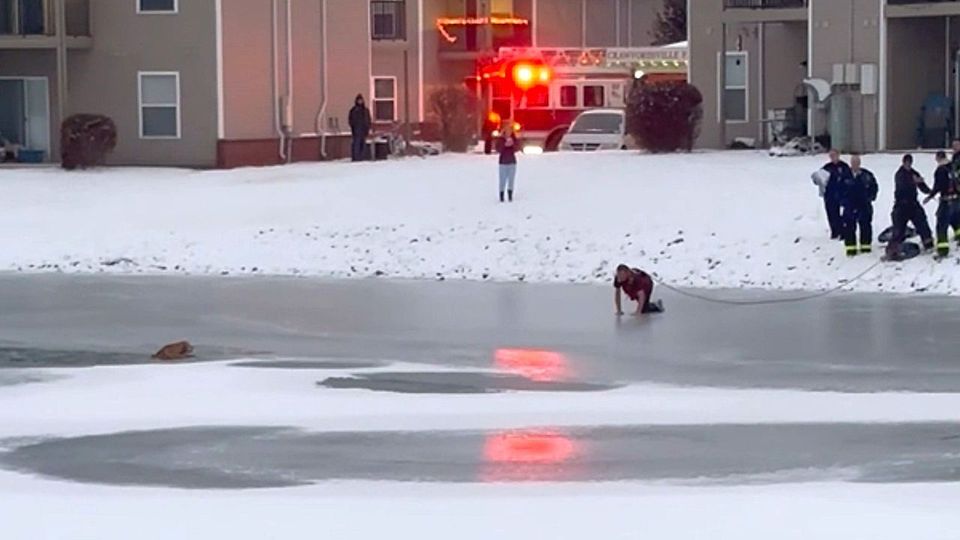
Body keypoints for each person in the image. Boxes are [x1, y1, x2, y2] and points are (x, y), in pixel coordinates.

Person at [886, 154, 934, 260]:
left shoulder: (913, 173)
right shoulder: (899, 174)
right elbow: (902, 185)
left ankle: (928, 243)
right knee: (898, 228)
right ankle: (893, 249)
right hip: (901, 205)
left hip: (913, 204)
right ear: (903, 163)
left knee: (922, 222)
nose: (908, 165)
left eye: (909, 163)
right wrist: (914, 181)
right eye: (906, 163)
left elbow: (922, 185)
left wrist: (931, 192)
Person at [839, 154, 879, 256]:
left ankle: (865, 246)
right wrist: (843, 201)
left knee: (865, 226)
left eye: (857, 163)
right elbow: (838, 190)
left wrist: (870, 197)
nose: (855, 165)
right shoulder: (844, 175)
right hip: (849, 206)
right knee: (849, 228)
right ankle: (850, 248)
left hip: (864, 205)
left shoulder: (867, 175)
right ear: (850, 163)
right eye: (853, 163)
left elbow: (874, 187)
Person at [923, 151, 960, 257]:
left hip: (946, 200)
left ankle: (942, 249)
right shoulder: (953, 167)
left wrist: (930, 196)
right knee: (955, 220)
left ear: (939, 158)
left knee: (941, 225)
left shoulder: (940, 170)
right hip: (957, 200)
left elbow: (938, 186)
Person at [820, 149, 853, 240]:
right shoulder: (827, 167)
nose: (833, 157)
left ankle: (843, 231)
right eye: (831, 156)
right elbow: (821, 180)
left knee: (844, 214)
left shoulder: (844, 166)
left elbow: (849, 178)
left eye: (834, 155)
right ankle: (834, 231)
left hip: (842, 194)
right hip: (830, 194)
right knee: (831, 213)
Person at [496, 123, 519, 202]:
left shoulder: (514, 139)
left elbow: (517, 148)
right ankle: (501, 195)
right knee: (502, 180)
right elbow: (498, 149)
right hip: (503, 162)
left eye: (510, 130)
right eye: (507, 130)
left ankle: (510, 195)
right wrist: (504, 145)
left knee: (511, 180)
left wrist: (512, 145)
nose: (508, 132)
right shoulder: (501, 139)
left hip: (512, 162)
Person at [348, 94, 371, 162]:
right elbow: (350, 120)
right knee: (356, 144)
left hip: (364, 129)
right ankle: (356, 158)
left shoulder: (366, 110)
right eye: (359, 100)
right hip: (356, 129)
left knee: (363, 144)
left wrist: (368, 127)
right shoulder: (354, 110)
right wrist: (353, 127)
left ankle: (362, 157)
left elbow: (368, 119)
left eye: (361, 100)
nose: (360, 101)